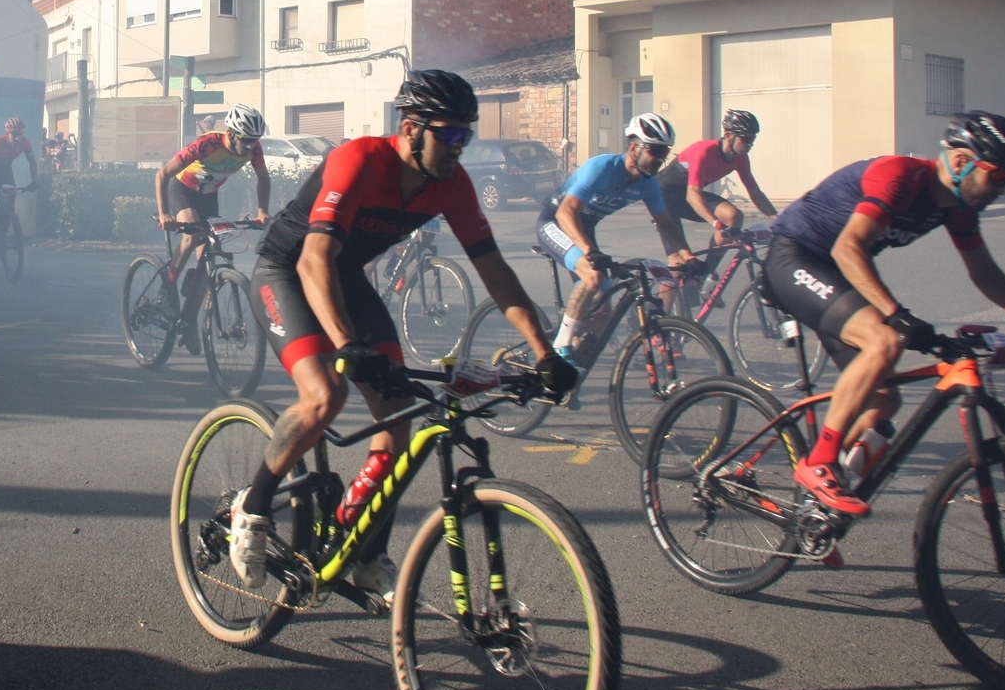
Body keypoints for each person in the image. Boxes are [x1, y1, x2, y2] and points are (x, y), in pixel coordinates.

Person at [232, 72, 575, 594]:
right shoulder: (360, 160)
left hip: (344, 277)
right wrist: (348, 346)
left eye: (466, 135)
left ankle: (367, 548)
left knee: (398, 416)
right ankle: (253, 508)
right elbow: (313, 259)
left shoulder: (451, 185)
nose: (459, 146)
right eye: (450, 134)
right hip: (288, 269)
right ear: (411, 128)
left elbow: (495, 271)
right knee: (325, 395)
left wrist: (546, 353)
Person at [766, 112, 1005, 515]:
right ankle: (818, 463)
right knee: (883, 341)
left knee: (883, 402)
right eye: (998, 177)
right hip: (796, 257)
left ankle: (817, 505)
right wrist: (897, 314)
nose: (1003, 188)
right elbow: (848, 247)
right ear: (961, 161)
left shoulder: (957, 207)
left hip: (838, 277)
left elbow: (983, 270)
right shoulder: (900, 177)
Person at [536, 112, 698, 372]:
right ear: (634, 148)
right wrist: (589, 251)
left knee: (603, 315)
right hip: (555, 222)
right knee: (593, 277)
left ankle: (566, 353)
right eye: (656, 150)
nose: (661, 158)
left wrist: (688, 256)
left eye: (665, 152)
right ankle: (560, 346)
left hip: (584, 228)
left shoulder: (647, 184)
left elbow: (666, 223)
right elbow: (566, 213)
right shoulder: (602, 168)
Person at [155, 105, 271, 339]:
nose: (251, 145)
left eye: (255, 139)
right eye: (247, 139)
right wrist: (164, 214)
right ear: (231, 134)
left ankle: (188, 323)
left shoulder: (253, 149)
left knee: (211, 257)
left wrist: (262, 211)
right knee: (193, 235)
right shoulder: (207, 144)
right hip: (183, 189)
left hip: (208, 196)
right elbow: (162, 174)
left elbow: (263, 178)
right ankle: (168, 285)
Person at [657, 108, 779, 252]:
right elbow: (693, 195)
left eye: (753, 139)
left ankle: (710, 266)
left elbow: (755, 193)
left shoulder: (741, 158)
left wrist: (777, 219)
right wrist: (718, 224)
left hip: (684, 196)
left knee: (733, 216)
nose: (750, 144)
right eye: (746, 139)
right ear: (728, 135)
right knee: (683, 258)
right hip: (662, 197)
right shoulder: (703, 150)